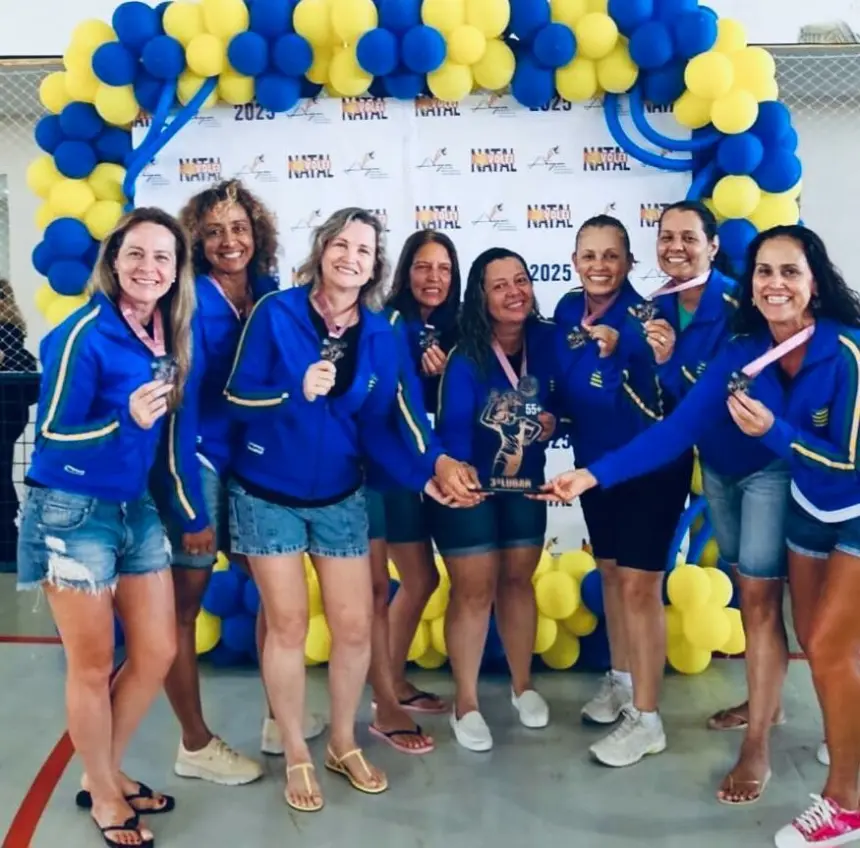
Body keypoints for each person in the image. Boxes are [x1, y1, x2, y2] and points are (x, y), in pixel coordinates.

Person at [540, 226, 860, 835]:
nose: (774, 284)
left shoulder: (847, 351)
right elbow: (677, 428)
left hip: (853, 507)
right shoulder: (743, 350)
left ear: (815, 283)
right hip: (807, 508)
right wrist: (592, 475)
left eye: (789, 271)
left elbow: (848, 464)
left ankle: (842, 799)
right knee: (816, 639)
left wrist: (773, 432)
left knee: (828, 644)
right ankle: (830, 738)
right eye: (764, 271)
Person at [223, 207, 477, 812]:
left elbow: (390, 425)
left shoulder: (383, 334)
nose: (350, 257)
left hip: (340, 495)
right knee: (287, 625)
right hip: (266, 492)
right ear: (321, 250)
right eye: (341, 244)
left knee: (357, 626)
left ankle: (342, 742)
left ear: (373, 268)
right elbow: (235, 396)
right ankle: (296, 749)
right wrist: (291, 392)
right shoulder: (275, 312)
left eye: (363, 251)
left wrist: (427, 474)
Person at [16, 207, 197, 847]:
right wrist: (124, 419)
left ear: (176, 270)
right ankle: (104, 790)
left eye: (163, 257)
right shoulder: (81, 334)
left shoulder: (165, 335)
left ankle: (103, 774)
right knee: (91, 667)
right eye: (136, 254)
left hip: (134, 507)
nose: (150, 267)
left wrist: (188, 509)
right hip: (70, 513)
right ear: (113, 262)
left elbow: (168, 439)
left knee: (157, 651)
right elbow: (52, 435)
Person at [150, 179, 311, 786]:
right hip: (199, 463)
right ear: (196, 240)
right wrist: (191, 507)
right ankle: (194, 743)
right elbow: (181, 406)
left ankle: (277, 718)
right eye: (213, 231)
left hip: (254, 463)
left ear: (256, 233)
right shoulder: (188, 298)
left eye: (238, 228)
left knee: (274, 590)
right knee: (183, 607)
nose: (228, 241)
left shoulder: (269, 292)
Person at [551, 215, 693, 768]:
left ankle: (648, 720)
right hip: (593, 466)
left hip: (650, 469)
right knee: (610, 572)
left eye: (611, 255)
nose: (599, 266)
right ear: (573, 261)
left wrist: (626, 356)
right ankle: (623, 679)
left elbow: (668, 403)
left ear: (630, 262)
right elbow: (563, 383)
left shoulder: (650, 318)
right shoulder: (568, 309)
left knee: (640, 587)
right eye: (589, 255)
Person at [427, 247, 559, 753]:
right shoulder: (465, 357)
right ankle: (465, 703)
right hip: (469, 486)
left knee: (518, 581)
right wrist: (461, 479)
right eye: (499, 285)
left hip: (525, 483)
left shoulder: (545, 342)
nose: (514, 292)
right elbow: (453, 432)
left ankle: (523, 686)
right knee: (474, 590)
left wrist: (552, 421)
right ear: (480, 297)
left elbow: (565, 402)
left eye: (520, 280)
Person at [364, 230, 463, 755]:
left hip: (416, 468)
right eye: (424, 267)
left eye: (444, 269)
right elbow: (393, 408)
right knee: (381, 587)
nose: (434, 278)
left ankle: (393, 680)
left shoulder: (455, 327)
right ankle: (384, 698)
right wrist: (433, 464)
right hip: (380, 470)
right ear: (405, 273)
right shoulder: (391, 324)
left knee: (421, 578)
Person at [0, 278, 40, 566]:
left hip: (5, 417)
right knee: (3, 479)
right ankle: (8, 546)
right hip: (10, 419)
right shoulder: (15, 337)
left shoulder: (8, 337)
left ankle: (7, 547)